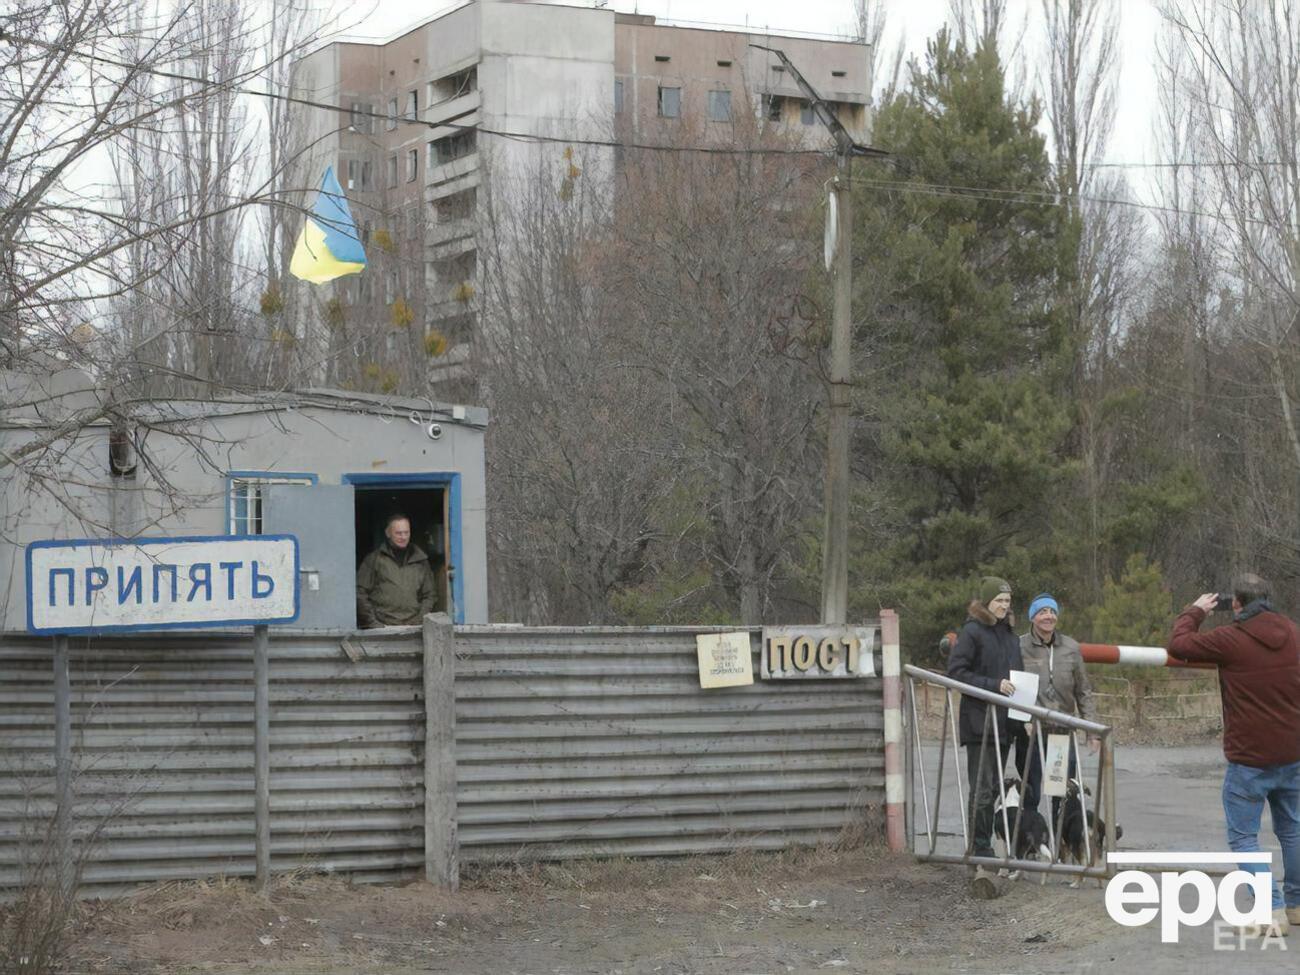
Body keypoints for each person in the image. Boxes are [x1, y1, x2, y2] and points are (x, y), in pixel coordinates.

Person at [1167, 573, 1300, 938]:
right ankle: (1295, 903)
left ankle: (1269, 910)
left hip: (1249, 757)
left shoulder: (1230, 639)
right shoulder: (1293, 631)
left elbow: (1178, 644)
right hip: (1292, 752)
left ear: (1236, 604)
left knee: (1244, 837)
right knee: (1292, 831)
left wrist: (1195, 611)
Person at [948, 576, 1023, 892]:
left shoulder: (1010, 636)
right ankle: (981, 850)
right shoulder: (972, 632)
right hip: (980, 723)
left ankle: (979, 848)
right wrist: (993, 686)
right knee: (981, 789)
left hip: (1004, 724)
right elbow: (957, 672)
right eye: (999, 601)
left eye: (1007, 601)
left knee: (993, 789)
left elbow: (1016, 678)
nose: (1004, 606)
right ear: (987, 602)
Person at [1015, 593, 1099, 826]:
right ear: (1033, 617)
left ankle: (1059, 845)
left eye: (1052, 612)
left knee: (1060, 790)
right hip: (1032, 731)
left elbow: (1083, 690)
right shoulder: (1020, 645)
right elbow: (1015, 684)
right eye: (1042, 612)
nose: (1048, 617)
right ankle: (1028, 845)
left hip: (1061, 730)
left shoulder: (1070, 647)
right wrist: (1024, 719)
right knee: (1030, 789)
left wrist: (1091, 730)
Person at [356, 513, 437, 628]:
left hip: (414, 627)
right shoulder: (374, 559)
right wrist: (373, 623)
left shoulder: (421, 560)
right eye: (398, 533)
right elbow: (360, 593)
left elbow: (430, 595)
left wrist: (419, 621)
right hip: (382, 627)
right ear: (388, 533)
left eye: (406, 532)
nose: (403, 537)